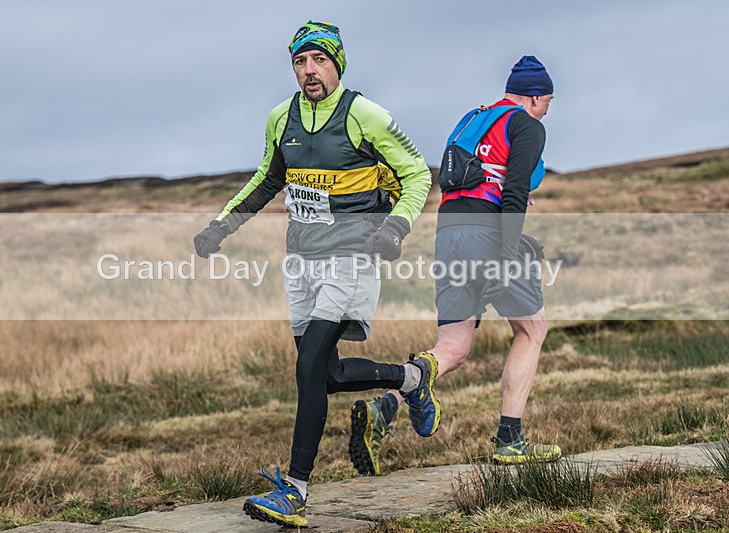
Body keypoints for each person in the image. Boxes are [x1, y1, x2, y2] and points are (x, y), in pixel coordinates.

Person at [192, 20, 438, 527]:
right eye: (300, 61)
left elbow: (417, 173)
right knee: (325, 375)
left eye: (319, 60)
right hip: (301, 262)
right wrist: (221, 227)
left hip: (352, 256)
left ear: (337, 64)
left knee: (307, 371)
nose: (309, 70)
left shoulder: (364, 115)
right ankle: (412, 378)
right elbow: (267, 180)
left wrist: (394, 228)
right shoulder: (280, 118)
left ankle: (296, 491)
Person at [349, 55, 562, 477]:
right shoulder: (526, 124)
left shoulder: (474, 119)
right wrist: (506, 254)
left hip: (449, 234)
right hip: (486, 235)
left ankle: (383, 408)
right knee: (532, 330)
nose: (546, 111)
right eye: (548, 103)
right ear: (537, 98)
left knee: (453, 348)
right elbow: (514, 192)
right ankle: (510, 439)